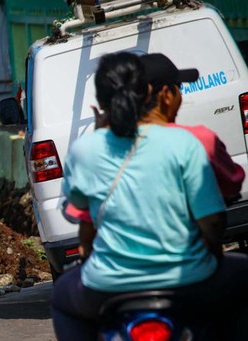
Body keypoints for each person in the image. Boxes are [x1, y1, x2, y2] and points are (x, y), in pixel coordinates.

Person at [52, 52, 248, 341]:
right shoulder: (185, 142)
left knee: (61, 298)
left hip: (106, 287)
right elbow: (214, 226)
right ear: (152, 92)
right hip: (189, 281)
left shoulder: (85, 149)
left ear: (101, 101)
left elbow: (83, 220)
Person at [65, 52, 246, 257]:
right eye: (181, 88)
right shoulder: (194, 140)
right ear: (166, 95)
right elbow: (226, 196)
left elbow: (83, 220)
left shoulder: (87, 149)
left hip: (112, 278)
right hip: (188, 271)